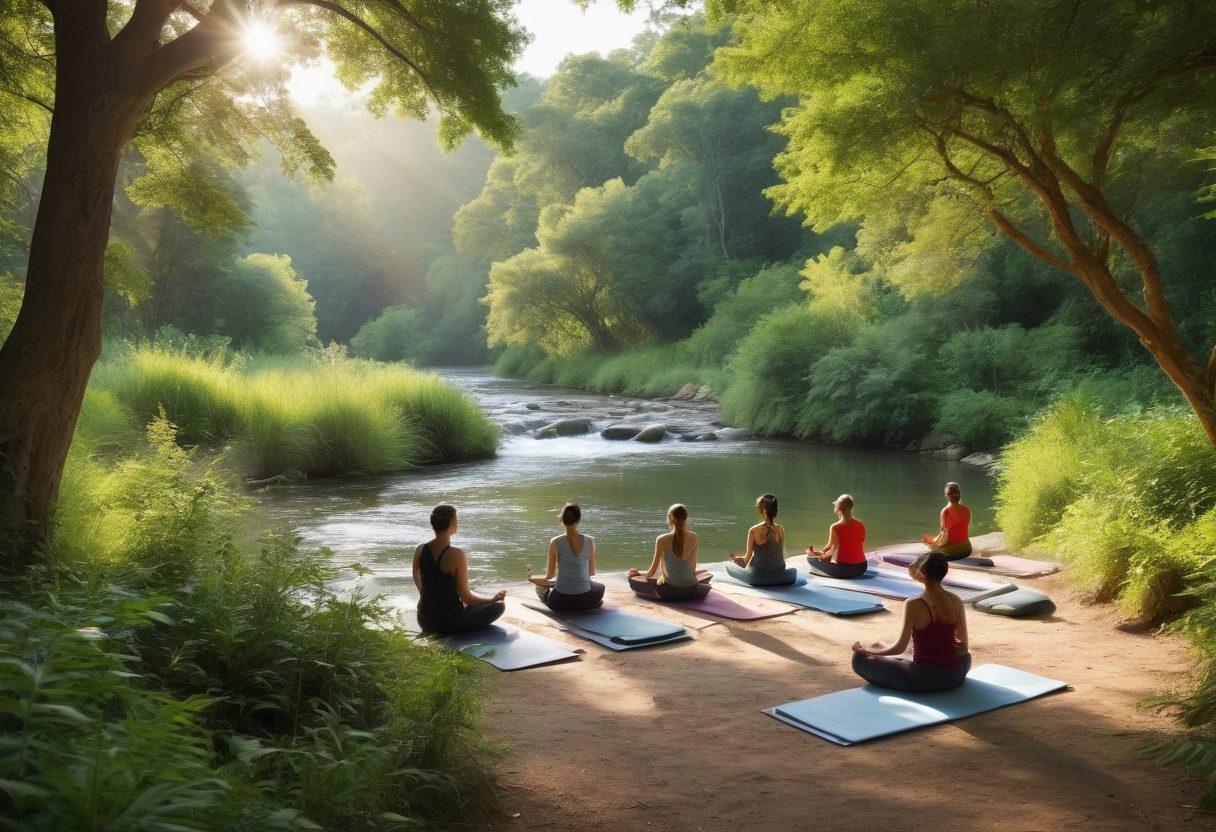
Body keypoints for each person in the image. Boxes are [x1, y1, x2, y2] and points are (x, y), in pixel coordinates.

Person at [851, 552, 971, 692]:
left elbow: (899, 648)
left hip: (922, 679)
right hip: (955, 677)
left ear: (921, 573)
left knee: (859, 659)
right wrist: (942, 661)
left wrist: (867, 650)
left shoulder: (913, 604)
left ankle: (874, 654)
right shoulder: (955, 600)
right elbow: (963, 647)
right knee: (965, 656)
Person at [412, 503, 506, 634]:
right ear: (452, 524)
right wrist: (493, 599)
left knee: (465, 603)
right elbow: (467, 597)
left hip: (424, 620)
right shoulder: (457, 554)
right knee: (499, 606)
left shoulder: (420, 549)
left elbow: (417, 578)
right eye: (456, 520)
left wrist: (428, 597)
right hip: (448, 623)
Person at [527, 503, 605, 612]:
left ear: (561, 520)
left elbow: (549, 576)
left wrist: (532, 579)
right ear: (579, 519)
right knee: (600, 587)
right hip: (586, 599)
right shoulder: (590, 541)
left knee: (539, 588)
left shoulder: (555, 542)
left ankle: (571, 602)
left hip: (560, 603)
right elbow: (591, 572)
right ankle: (588, 604)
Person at [628, 503, 712, 601]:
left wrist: (638, 574)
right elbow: (692, 568)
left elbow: (651, 572)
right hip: (691, 588)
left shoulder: (662, 539)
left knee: (631, 577)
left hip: (670, 592)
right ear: (686, 518)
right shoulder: (694, 537)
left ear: (670, 518)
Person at [724, 494, 798, 586]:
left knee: (728, 565)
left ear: (764, 510)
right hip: (780, 578)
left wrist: (738, 560)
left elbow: (747, 559)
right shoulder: (780, 529)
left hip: (758, 578)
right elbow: (781, 555)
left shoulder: (753, 530)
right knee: (794, 571)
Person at [806, 493, 869, 579]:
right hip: (862, 567)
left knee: (810, 560)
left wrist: (814, 554)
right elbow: (859, 543)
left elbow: (829, 551)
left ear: (838, 508)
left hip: (845, 570)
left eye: (835, 505)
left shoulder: (835, 527)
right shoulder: (860, 524)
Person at [921, 481, 973, 560]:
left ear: (946, 495)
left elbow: (943, 536)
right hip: (967, 549)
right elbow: (959, 530)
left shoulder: (945, 511)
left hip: (951, 552)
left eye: (948, 493)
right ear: (959, 493)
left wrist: (932, 542)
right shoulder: (967, 510)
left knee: (928, 546)